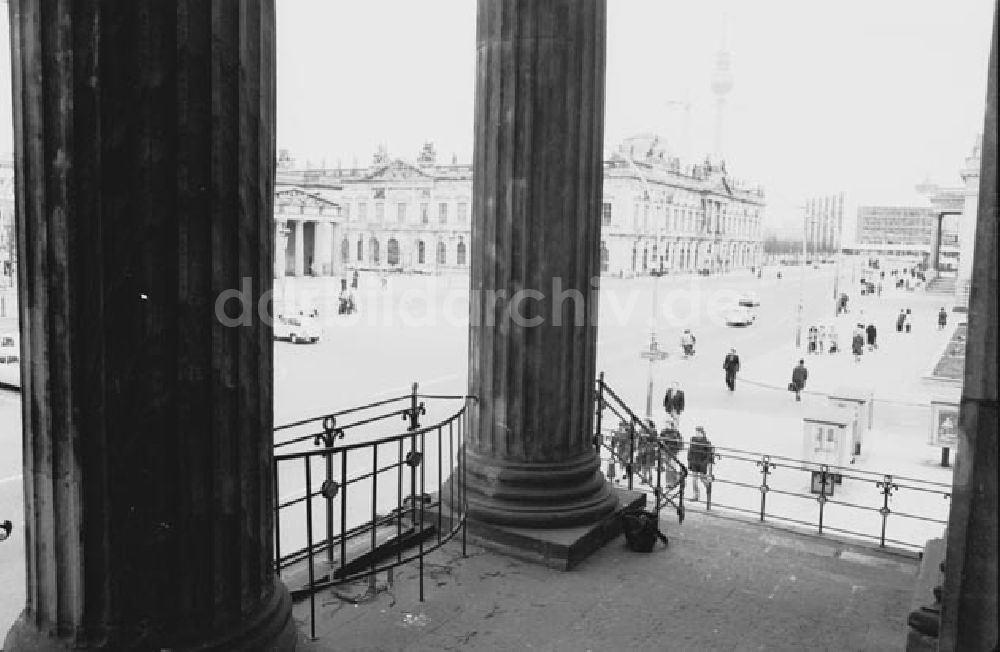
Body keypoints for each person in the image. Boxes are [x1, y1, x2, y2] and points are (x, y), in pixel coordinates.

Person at [687, 427, 715, 502]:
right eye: (696, 432)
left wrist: (706, 462)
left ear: (702, 433)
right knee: (694, 480)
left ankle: (708, 486)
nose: (697, 434)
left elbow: (709, 454)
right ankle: (696, 495)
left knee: (702, 478)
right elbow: (690, 451)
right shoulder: (693, 440)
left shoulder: (707, 443)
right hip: (694, 463)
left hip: (702, 463)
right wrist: (689, 460)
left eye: (698, 432)